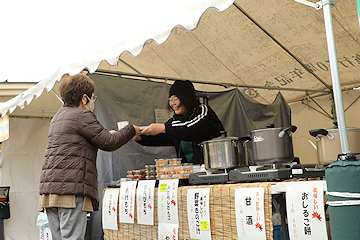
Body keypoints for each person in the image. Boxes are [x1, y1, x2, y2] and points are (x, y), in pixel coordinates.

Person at [38, 73, 140, 240]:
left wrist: (108, 134)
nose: (94, 101)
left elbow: (83, 140)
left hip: (50, 191)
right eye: (94, 97)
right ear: (84, 98)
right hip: (70, 191)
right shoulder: (82, 115)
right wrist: (130, 129)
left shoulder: (58, 116)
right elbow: (109, 142)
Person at [135, 80, 224, 164]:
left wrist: (163, 128)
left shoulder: (204, 111)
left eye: (175, 99)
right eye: (170, 100)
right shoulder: (175, 120)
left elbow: (190, 128)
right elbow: (164, 136)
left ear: (187, 98)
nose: (172, 104)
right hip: (189, 171)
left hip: (214, 167)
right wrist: (139, 136)